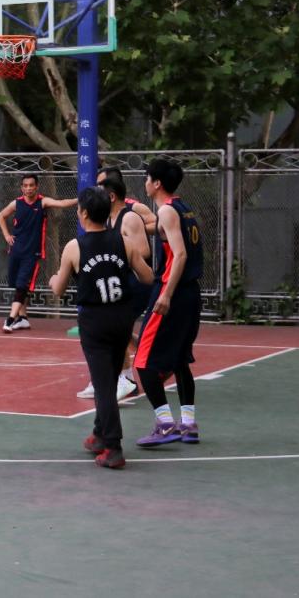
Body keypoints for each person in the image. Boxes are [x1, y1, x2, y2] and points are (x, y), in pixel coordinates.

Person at [49, 186, 154, 469]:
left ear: (83, 213)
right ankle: (98, 434)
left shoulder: (75, 247)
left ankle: (113, 446)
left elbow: (58, 289)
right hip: (122, 318)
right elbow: (148, 277)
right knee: (108, 377)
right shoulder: (123, 242)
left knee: (103, 386)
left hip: (95, 321)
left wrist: (53, 279)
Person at [132, 159, 204, 447]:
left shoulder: (166, 211)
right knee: (180, 361)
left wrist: (166, 294)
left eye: (147, 178)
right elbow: (161, 230)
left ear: (157, 183)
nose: (145, 182)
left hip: (171, 292)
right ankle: (188, 424)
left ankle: (164, 424)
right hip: (190, 294)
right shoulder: (183, 208)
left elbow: (180, 254)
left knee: (143, 361)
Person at [76, 169, 153, 401]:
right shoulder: (108, 220)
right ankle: (119, 378)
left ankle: (121, 379)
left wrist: (118, 254)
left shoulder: (129, 217)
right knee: (119, 331)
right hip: (120, 283)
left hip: (137, 284)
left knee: (113, 330)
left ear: (110, 196)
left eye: (100, 190)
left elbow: (144, 251)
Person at [0, 174, 77, 332]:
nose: (28, 188)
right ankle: (23, 319)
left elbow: (61, 203)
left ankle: (10, 319)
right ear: (22, 188)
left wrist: (79, 199)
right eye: (25, 185)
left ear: (36, 187)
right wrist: (6, 235)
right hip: (16, 250)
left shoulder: (42, 202)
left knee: (22, 285)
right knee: (17, 285)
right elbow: (1, 215)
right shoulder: (16, 203)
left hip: (32, 253)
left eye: (31, 185)